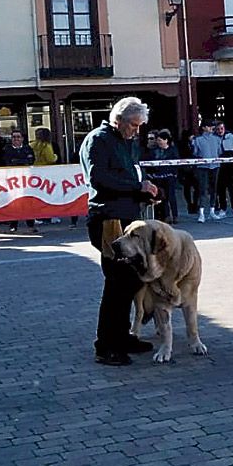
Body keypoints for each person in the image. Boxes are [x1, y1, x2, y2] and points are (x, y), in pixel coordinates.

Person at [80, 96, 158, 366]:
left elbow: (131, 176)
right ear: (119, 120)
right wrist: (136, 189)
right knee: (116, 283)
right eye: (134, 126)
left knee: (132, 280)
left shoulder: (127, 141)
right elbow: (99, 179)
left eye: (139, 127)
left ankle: (122, 336)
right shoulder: (99, 140)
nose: (137, 131)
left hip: (128, 217)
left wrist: (145, 190)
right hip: (108, 220)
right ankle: (106, 345)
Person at [191, 121, 227, 222]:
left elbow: (220, 152)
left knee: (214, 189)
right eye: (208, 126)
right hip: (202, 167)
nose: (211, 128)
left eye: (212, 126)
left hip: (215, 166)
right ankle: (201, 212)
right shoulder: (198, 140)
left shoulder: (217, 139)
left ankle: (212, 210)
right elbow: (195, 153)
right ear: (203, 128)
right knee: (202, 189)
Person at [2, 130, 37, 233]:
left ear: (22, 138)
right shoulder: (6, 149)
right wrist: (20, 161)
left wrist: (17, 161)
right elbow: (7, 162)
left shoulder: (27, 148)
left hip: (26, 180)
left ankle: (31, 225)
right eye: (14, 137)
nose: (16, 139)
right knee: (13, 203)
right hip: (12, 180)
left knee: (28, 203)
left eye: (18, 137)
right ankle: (13, 225)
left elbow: (30, 160)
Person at [145, 129, 181, 224]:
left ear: (166, 140)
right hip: (158, 177)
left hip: (170, 176)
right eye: (158, 140)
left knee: (171, 197)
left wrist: (174, 173)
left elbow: (177, 163)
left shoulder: (172, 150)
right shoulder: (154, 151)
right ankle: (167, 216)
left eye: (160, 140)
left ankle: (175, 215)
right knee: (163, 197)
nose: (158, 142)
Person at [213, 121, 233, 218]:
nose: (220, 131)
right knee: (221, 189)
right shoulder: (213, 139)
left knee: (232, 188)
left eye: (221, 128)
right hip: (219, 167)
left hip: (230, 167)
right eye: (218, 129)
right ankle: (222, 209)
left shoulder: (232, 138)